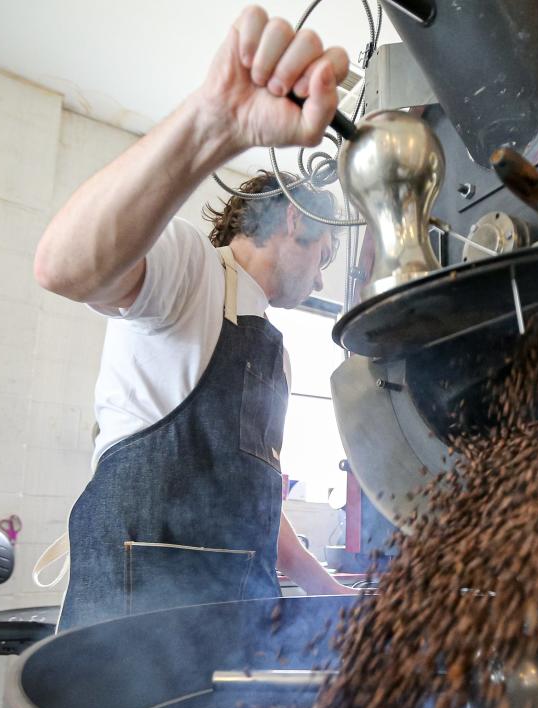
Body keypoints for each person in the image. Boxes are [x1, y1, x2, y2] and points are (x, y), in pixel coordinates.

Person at [34, 7, 355, 630]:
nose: (320, 280)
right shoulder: (192, 270)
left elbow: (251, 496)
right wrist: (213, 122)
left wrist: (325, 585)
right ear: (294, 221)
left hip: (229, 632)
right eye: (324, 256)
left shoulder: (276, 350)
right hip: (132, 641)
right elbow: (63, 266)